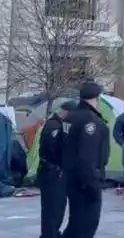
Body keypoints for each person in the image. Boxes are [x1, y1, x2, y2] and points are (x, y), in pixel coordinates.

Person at [61, 82, 110, 238]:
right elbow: (87, 157)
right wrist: (92, 186)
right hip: (85, 181)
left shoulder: (71, 116)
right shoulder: (91, 121)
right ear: (97, 98)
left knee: (76, 223)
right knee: (86, 226)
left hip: (71, 177)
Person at [38, 100, 76, 238]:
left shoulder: (61, 124)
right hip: (52, 172)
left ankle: (54, 232)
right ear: (66, 112)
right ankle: (49, 234)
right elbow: (54, 150)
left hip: (58, 172)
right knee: (52, 208)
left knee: (59, 206)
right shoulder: (53, 126)